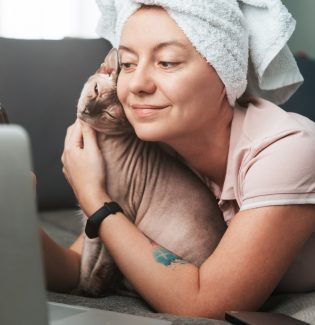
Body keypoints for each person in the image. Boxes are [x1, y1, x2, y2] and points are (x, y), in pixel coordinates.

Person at [42, 0, 315, 320]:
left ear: (225, 72)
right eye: (127, 63)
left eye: (167, 62)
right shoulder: (154, 142)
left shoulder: (286, 150)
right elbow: (80, 268)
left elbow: (206, 305)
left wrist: (95, 199)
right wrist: (11, 212)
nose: (137, 85)